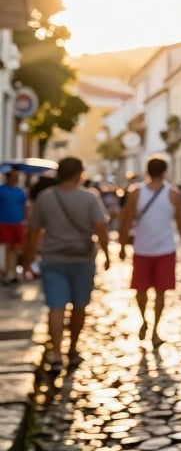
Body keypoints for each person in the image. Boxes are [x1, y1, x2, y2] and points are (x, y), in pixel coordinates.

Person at [22, 157, 109, 372]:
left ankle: (57, 355)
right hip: (82, 259)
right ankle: (73, 349)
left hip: (53, 259)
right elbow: (101, 228)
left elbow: (34, 231)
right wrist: (107, 254)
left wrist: (28, 260)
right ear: (79, 173)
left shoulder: (45, 198)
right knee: (79, 306)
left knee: (56, 307)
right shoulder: (89, 198)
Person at [117, 156, 181, 347]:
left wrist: (122, 245)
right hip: (163, 249)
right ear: (165, 171)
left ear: (147, 171)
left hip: (145, 248)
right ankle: (153, 327)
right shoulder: (173, 194)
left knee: (140, 291)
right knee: (160, 293)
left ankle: (148, 324)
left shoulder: (136, 193)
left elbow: (126, 220)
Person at [0, 168, 28, 284]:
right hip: (4, 222)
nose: (16, 179)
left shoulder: (20, 191)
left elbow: (24, 206)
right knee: (7, 247)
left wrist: (25, 219)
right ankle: (8, 271)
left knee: (17, 247)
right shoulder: (2, 190)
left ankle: (15, 270)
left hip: (17, 223)